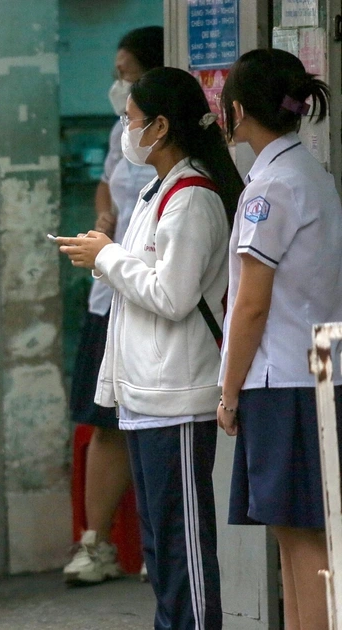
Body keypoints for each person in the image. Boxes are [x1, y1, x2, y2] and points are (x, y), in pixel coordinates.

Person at [57, 67, 244, 630]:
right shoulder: (156, 191)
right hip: (146, 394)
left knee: (182, 542)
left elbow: (171, 294)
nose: (125, 129)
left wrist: (107, 257)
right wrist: (107, 256)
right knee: (161, 543)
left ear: (160, 127)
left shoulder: (193, 197)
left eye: (131, 118)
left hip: (175, 394)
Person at [217, 48, 342, 630]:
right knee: (296, 533)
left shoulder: (269, 188)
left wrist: (228, 391)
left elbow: (250, 305)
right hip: (317, 370)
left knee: (302, 539)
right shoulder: (312, 174)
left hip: (284, 379)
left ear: (238, 110)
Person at [65, 25, 162, 586]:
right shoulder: (121, 131)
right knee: (105, 422)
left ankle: (159, 544)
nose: (117, 83)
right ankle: (95, 544)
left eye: (126, 73)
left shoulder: (174, 147)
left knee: (157, 422)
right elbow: (107, 182)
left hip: (152, 296)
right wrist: (104, 215)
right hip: (109, 295)